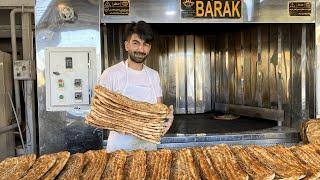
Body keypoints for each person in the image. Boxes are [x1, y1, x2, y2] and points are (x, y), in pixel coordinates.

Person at [99, 21, 174, 152]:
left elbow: (157, 108)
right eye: (136, 43)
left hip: (148, 147)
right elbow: (101, 113)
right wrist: (128, 125)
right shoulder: (110, 74)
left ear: (149, 48)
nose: (141, 49)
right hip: (119, 148)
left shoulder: (153, 75)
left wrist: (166, 117)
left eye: (145, 44)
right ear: (126, 46)